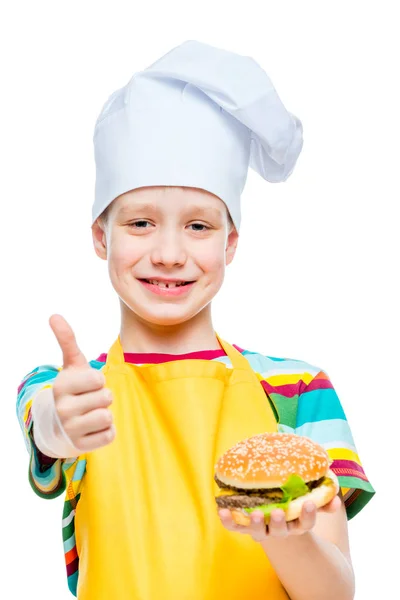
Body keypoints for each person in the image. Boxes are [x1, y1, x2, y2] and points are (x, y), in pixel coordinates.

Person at [16, 41, 374, 600]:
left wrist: (280, 533)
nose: (168, 253)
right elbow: (47, 426)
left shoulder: (299, 389)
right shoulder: (73, 392)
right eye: (139, 222)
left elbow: (334, 595)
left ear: (230, 243)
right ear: (99, 236)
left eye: (199, 227)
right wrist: (56, 422)